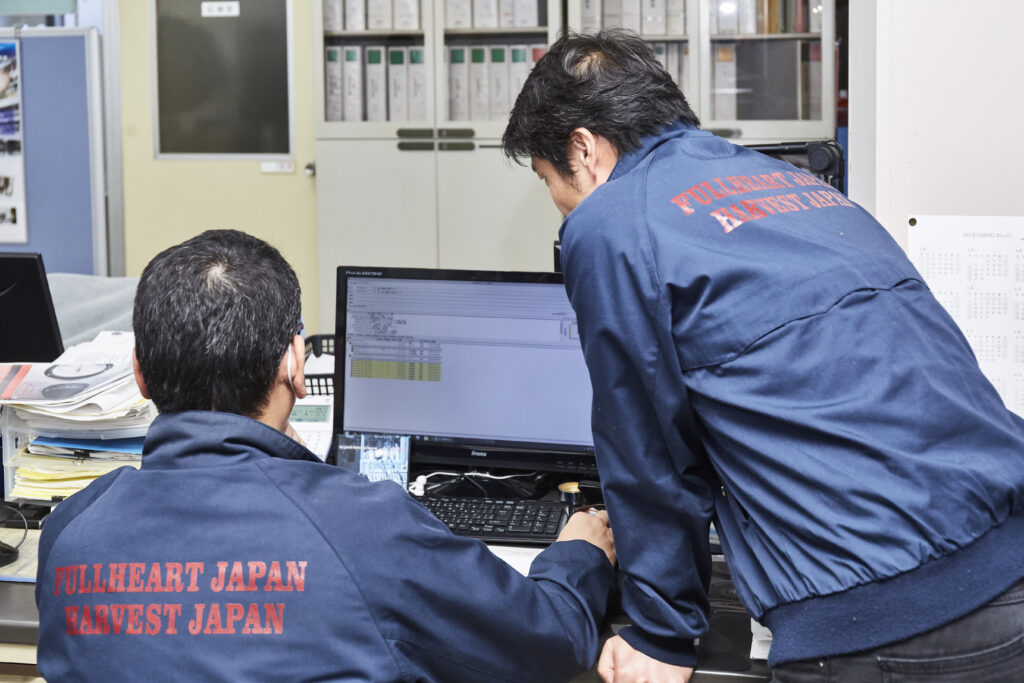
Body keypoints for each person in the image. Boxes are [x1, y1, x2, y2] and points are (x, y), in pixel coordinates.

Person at [501, 29, 1024, 683]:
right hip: (1007, 555)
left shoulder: (613, 220)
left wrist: (663, 634)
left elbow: (646, 449)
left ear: (583, 148)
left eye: (548, 179)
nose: (559, 204)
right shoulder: (794, 184)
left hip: (881, 614)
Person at [35, 229, 617, 681]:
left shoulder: (71, 530)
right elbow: (550, 640)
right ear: (296, 363)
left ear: (139, 373)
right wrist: (580, 554)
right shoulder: (365, 527)